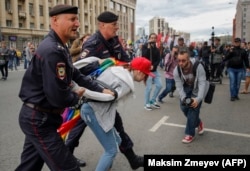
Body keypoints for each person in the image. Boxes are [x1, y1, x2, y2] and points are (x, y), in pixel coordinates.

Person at [15, 4, 114, 171]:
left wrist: (99, 89)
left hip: (38, 117)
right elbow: (58, 96)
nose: (78, 24)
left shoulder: (60, 46)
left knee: (29, 167)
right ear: (55, 20)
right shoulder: (53, 50)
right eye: (72, 19)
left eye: (77, 19)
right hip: (39, 119)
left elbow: (75, 73)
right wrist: (79, 97)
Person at [66, 11, 144, 170]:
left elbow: (123, 59)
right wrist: (104, 64)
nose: (117, 28)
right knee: (78, 127)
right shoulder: (92, 44)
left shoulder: (114, 41)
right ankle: (66, 158)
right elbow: (82, 69)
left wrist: (134, 67)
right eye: (114, 25)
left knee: (115, 125)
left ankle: (131, 159)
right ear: (102, 25)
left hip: (105, 95)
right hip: (92, 95)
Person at [75, 57, 154, 171]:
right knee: (111, 150)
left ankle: (106, 167)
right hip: (93, 111)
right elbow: (106, 97)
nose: (144, 79)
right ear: (139, 71)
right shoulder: (127, 83)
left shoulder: (116, 69)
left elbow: (93, 68)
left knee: (117, 141)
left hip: (92, 110)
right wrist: (85, 93)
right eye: (145, 75)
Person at [173, 49, 208, 143]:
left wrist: (198, 99)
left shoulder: (198, 66)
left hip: (197, 89)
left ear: (188, 59)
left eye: (183, 60)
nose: (180, 63)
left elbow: (202, 83)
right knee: (184, 108)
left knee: (193, 109)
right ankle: (198, 122)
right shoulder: (176, 70)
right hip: (186, 88)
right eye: (179, 60)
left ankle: (189, 134)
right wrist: (183, 98)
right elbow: (179, 86)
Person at [141, 33, 162, 110]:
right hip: (147, 71)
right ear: (149, 38)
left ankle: (152, 101)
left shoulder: (156, 49)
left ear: (156, 39)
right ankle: (146, 104)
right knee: (148, 88)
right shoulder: (145, 46)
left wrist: (154, 66)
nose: (153, 39)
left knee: (159, 85)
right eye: (151, 38)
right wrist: (148, 47)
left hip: (154, 70)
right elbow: (143, 56)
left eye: (154, 38)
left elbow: (158, 59)